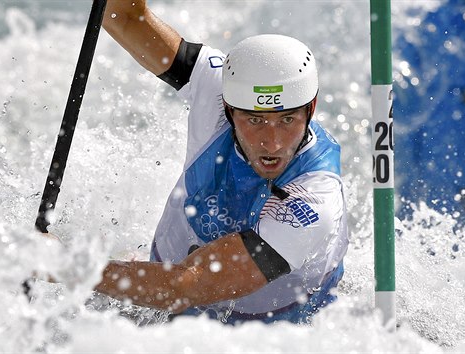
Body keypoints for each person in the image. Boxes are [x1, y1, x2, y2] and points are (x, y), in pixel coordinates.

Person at [91, 0, 349, 324]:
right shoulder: (216, 86)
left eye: (287, 120)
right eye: (254, 121)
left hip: (271, 337)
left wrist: (66, 266)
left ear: (311, 109)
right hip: (154, 297)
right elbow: (123, 17)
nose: (272, 143)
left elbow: (182, 286)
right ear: (228, 109)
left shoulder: (315, 199)